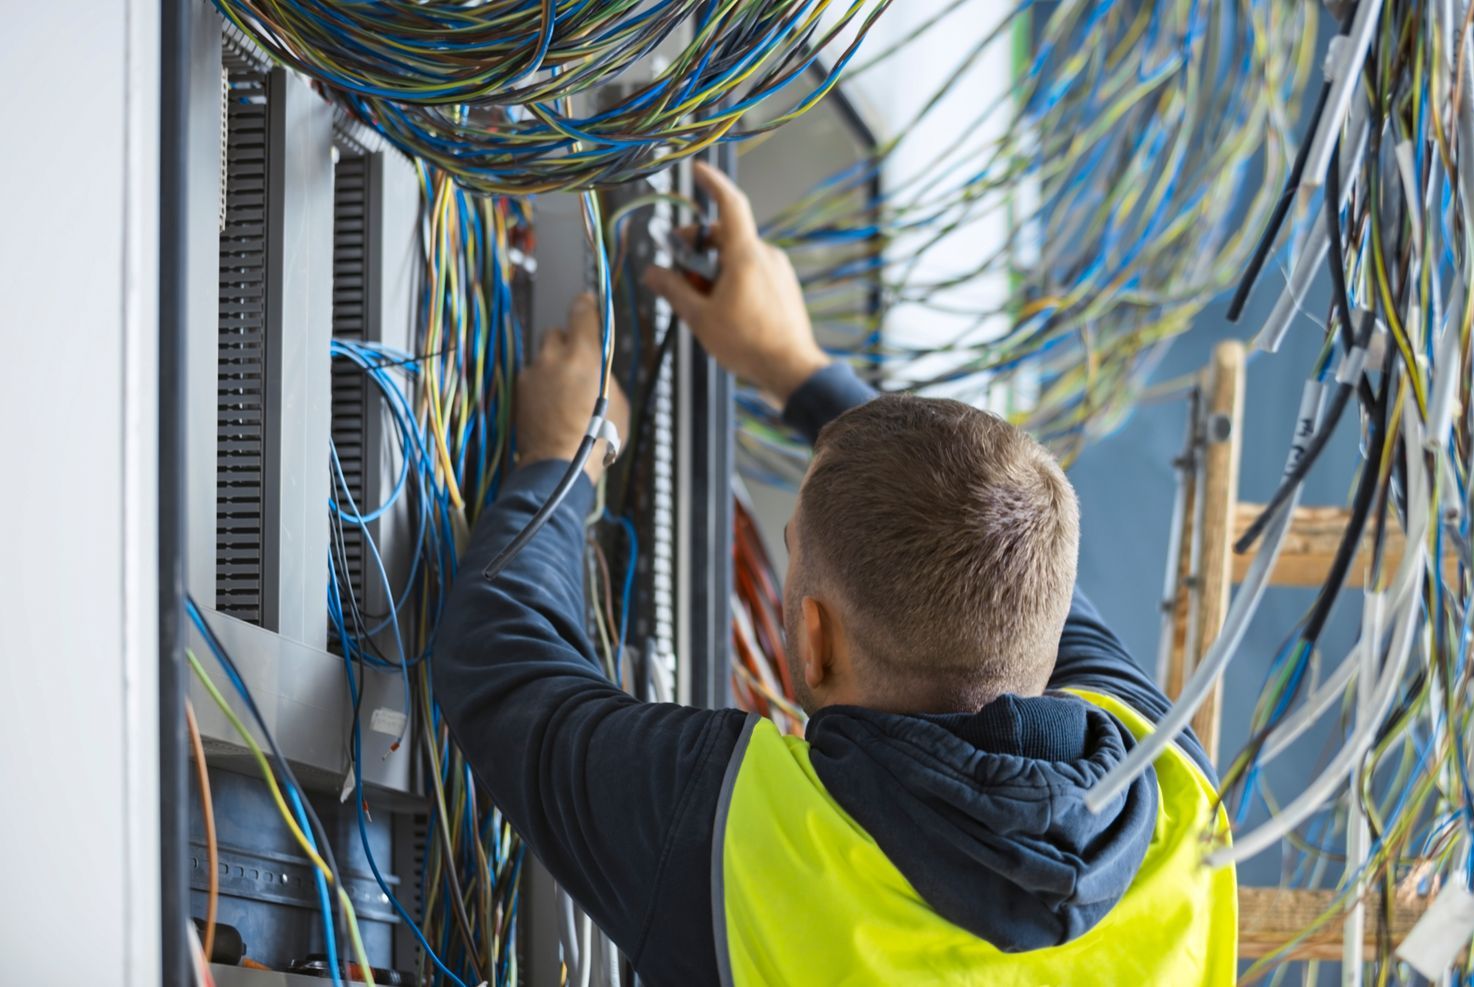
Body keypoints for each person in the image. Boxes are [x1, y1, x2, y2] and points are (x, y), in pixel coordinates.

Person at [434, 163, 1236, 986]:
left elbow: (498, 665)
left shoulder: (751, 845)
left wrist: (568, 452)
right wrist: (794, 365)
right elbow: (984, 537)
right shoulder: (1169, 783)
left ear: (813, 639)